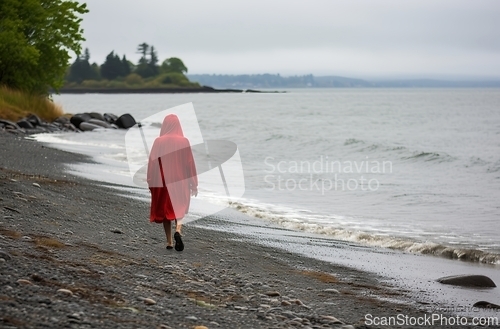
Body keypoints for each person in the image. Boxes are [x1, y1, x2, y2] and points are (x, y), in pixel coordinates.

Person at [147, 114, 198, 251]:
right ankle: (178, 230)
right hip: (180, 180)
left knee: (165, 209)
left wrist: (150, 180)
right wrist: (194, 183)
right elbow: (190, 164)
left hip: (162, 180)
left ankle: (169, 242)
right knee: (179, 206)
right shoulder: (184, 141)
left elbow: (152, 163)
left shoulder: (158, 141)